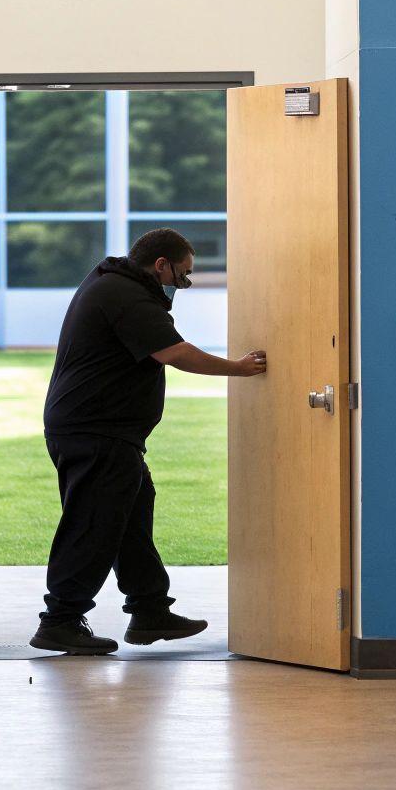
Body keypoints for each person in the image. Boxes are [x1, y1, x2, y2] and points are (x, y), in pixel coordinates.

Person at [31, 228, 267, 655]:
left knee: (130, 516)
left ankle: (149, 608)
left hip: (106, 430)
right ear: (161, 264)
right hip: (95, 430)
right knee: (92, 523)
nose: (183, 284)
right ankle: (61, 619)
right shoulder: (124, 294)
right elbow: (176, 352)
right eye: (183, 275)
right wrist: (240, 368)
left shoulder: (113, 283)